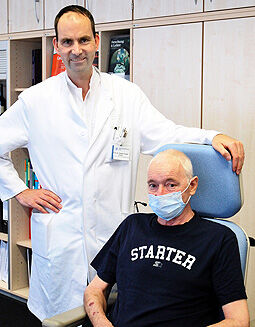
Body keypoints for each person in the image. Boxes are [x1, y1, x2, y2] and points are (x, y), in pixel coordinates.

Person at [0, 5, 245, 322]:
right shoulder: (35, 101)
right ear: (56, 46)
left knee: (118, 312)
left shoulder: (126, 95)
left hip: (115, 233)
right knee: (61, 318)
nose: (77, 50)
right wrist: (20, 191)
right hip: (62, 241)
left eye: (84, 40)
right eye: (68, 42)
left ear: (97, 41)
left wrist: (212, 135)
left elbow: (166, 134)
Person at [84, 149, 249, 327]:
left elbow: (239, 320)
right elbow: (94, 290)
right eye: (153, 185)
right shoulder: (132, 226)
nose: (160, 194)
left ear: (192, 186)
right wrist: (102, 323)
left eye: (170, 185)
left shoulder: (219, 239)